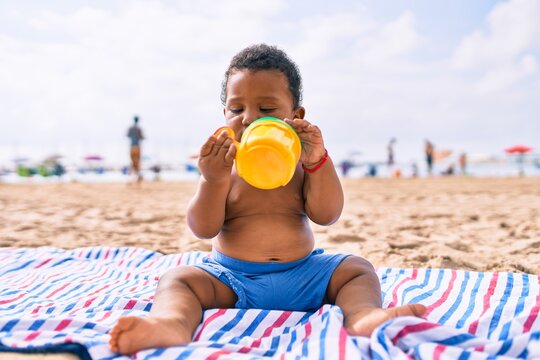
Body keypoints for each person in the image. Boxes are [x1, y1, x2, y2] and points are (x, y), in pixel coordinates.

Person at [109, 44, 425, 355]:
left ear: (296, 116)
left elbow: (327, 214)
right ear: (224, 115)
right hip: (232, 280)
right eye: (236, 109)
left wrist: (317, 161)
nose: (248, 118)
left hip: (304, 275)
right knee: (179, 279)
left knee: (356, 269)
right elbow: (203, 228)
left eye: (266, 109)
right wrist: (212, 180)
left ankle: (361, 316)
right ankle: (172, 323)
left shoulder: (302, 165)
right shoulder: (223, 169)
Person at [127, 116, 145, 182]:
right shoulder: (139, 129)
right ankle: (137, 176)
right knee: (137, 161)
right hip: (137, 146)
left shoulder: (130, 128)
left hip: (132, 146)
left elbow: (127, 135)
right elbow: (142, 137)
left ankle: (132, 176)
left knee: (132, 161)